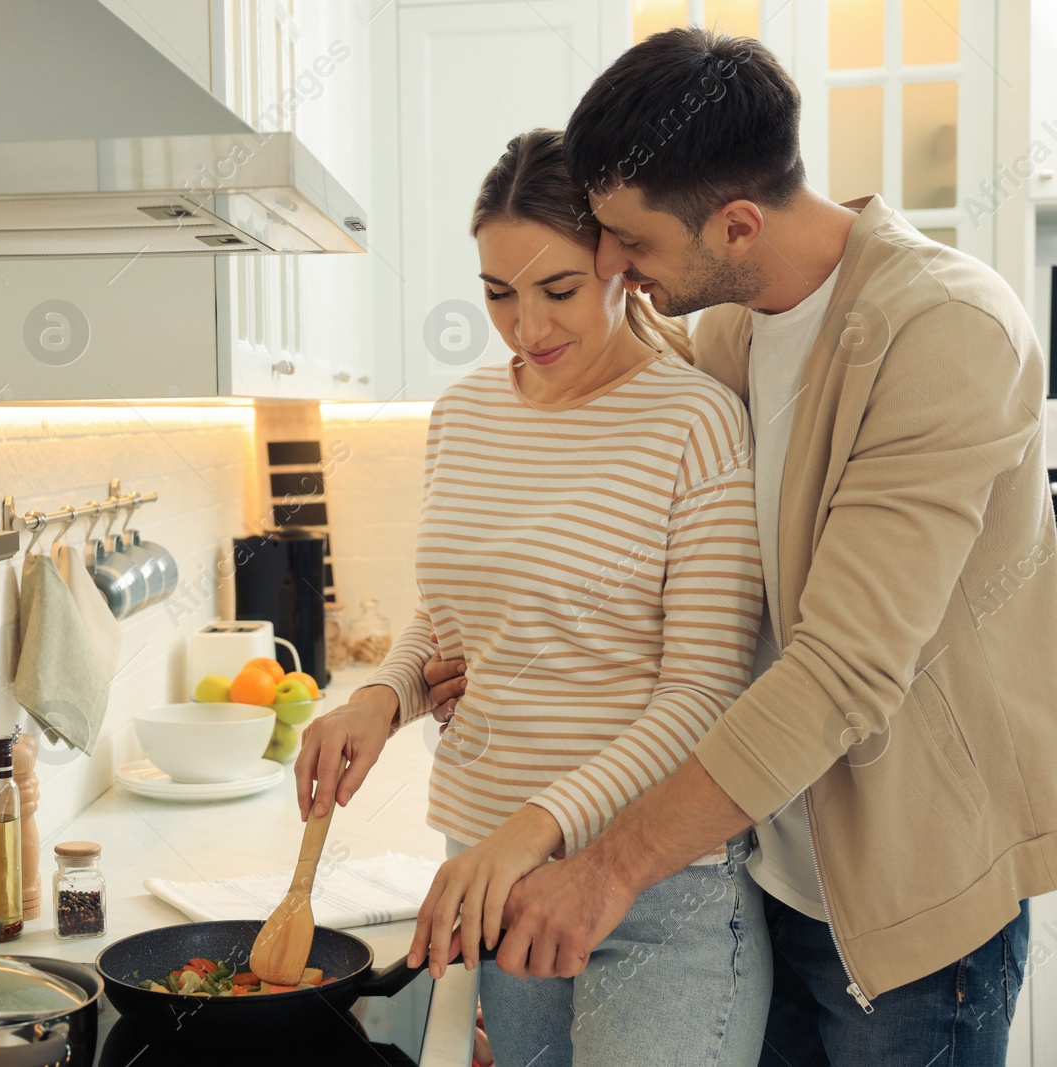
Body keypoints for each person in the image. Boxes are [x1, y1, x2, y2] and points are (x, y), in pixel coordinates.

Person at [419, 28, 1052, 1065]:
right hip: (760, 868)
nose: (610, 262)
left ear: (737, 222)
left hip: (897, 903)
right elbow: (667, 568)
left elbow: (841, 668)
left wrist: (604, 867)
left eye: (630, 241)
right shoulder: (729, 331)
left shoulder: (947, 328)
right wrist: (502, 660)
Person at [295, 128, 771, 1066]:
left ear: (618, 265)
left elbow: (703, 696)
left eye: (556, 291)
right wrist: (381, 697)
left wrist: (527, 832)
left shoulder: (695, 421)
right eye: (498, 295)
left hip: (655, 894)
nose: (528, 328)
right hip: (490, 886)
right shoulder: (462, 415)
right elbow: (454, 615)